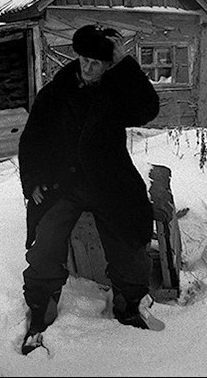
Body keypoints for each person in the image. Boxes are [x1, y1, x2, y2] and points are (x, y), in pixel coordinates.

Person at [17, 24, 169, 355]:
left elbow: (147, 110)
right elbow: (32, 139)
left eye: (97, 62)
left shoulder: (115, 90)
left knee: (129, 243)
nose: (88, 68)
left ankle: (128, 304)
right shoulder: (56, 92)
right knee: (46, 244)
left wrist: (123, 63)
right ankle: (42, 307)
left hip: (110, 182)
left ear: (107, 63)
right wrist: (34, 181)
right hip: (63, 183)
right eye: (84, 59)